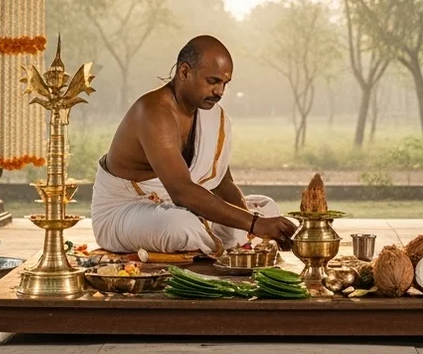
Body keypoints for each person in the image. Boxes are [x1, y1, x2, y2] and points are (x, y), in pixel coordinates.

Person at [91, 35, 298, 256]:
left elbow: (222, 183)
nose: (220, 92)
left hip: (180, 207)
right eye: (213, 81)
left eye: (224, 84)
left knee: (266, 207)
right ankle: (213, 240)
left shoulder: (212, 116)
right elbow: (181, 191)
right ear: (184, 72)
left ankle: (216, 242)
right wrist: (255, 224)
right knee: (180, 226)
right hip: (125, 212)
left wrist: (251, 225)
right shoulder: (153, 111)